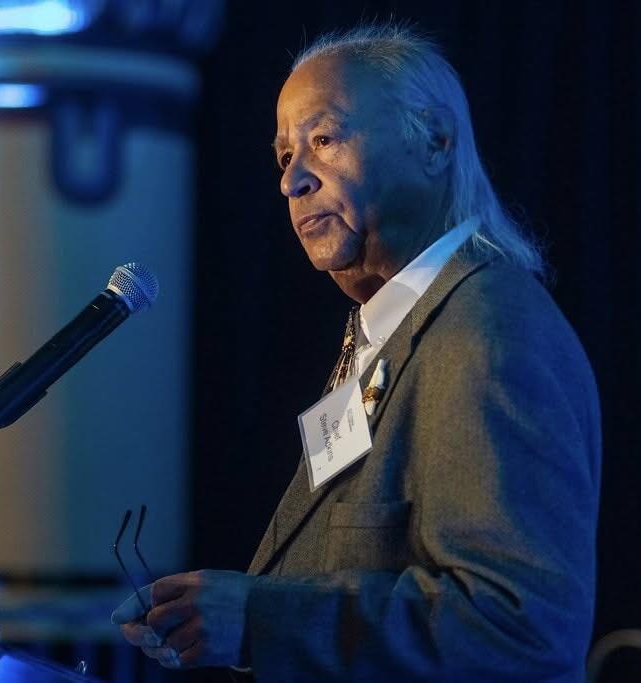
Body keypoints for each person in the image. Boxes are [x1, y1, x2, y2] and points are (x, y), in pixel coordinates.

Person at [118, 23, 601, 681]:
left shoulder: (487, 334)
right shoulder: (391, 331)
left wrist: (259, 618)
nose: (292, 181)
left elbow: (519, 626)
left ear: (434, 140)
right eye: (283, 157)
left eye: (323, 139)